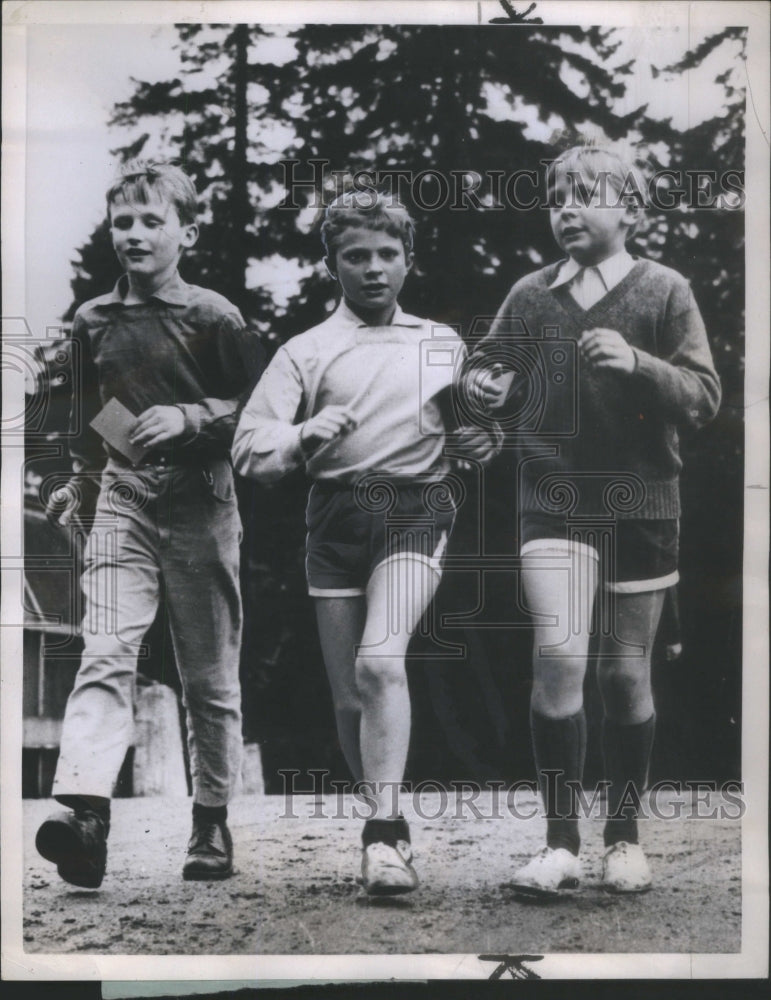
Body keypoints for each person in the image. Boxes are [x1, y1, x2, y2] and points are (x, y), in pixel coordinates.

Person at [465, 145, 720, 895]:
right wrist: (483, 386)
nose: (566, 207)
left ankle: (623, 838)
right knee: (559, 661)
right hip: (551, 503)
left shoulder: (663, 289)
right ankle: (558, 846)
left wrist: (637, 363)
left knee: (622, 676)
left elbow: (704, 395)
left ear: (630, 210)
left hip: (642, 507)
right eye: (555, 195)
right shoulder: (529, 294)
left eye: (585, 194)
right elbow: (484, 374)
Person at [232, 190, 500, 895]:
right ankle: (380, 821)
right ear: (333, 265)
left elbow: (476, 437)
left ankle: (385, 837)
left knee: (381, 662)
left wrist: (478, 437)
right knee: (350, 697)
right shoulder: (306, 350)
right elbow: (250, 448)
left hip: (417, 510)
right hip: (333, 519)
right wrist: (299, 435)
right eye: (356, 256)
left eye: (387, 255)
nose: (373, 268)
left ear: (408, 260)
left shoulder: (440, 342)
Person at [35, 160, 264, 888]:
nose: (132, 234)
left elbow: (261, 408)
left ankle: (210, 823)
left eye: (150, 221)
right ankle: (85, 816)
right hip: (123, 499)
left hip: (202, 496)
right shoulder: (92, 321)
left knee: (208, 674)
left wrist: (194, 416)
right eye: (121, 222)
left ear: (185, 233)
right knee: (104, 650)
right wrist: (80, 480)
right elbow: (84, 413)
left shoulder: (215, 316)